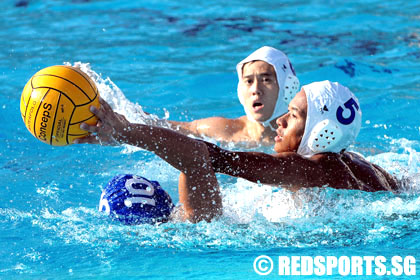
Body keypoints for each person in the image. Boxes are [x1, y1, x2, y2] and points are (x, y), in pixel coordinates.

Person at [76, 80, 399, 223]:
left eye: (295, 116)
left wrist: (125, 133)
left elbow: (207, 157)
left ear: (321, 133)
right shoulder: (349, 163)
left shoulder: (314, 170)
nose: (281, 121)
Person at [164, 46, 300, 145]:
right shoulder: (226, 132)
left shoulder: (305, 139)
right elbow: (168, 129)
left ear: (287, 86)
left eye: (266, 80)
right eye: (248, 81)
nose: (255, 90)